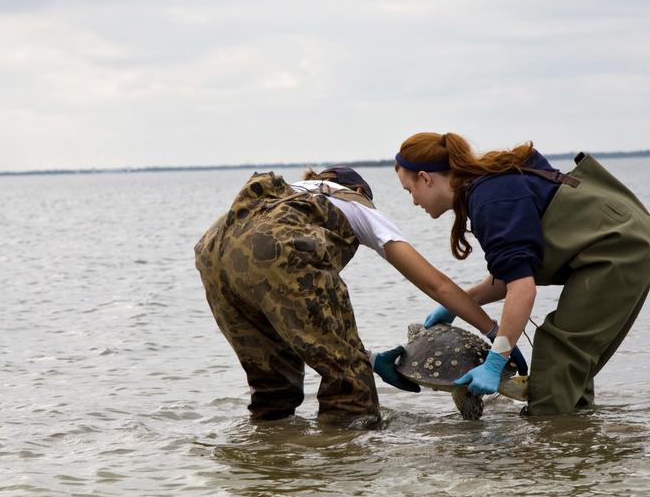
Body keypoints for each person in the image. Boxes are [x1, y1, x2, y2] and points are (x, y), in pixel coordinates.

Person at [194, 165, 511, 427]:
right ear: (360, 192)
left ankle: (272, 462)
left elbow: (302, 325)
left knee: (273, 384)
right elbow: (436, 285)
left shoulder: (290, 193)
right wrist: (496, 335)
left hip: (214, 252)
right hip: (281, 249)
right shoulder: (357, 205)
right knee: (349, 387)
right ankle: (345, 477)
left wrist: (369, 358)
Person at [394, 133, 650, 416]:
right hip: (628, 238)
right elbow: (508, 276)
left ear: (425, 178)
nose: (413, 201)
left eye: (409, 190)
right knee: (573, 368)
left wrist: (496, 362)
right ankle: (578, 434)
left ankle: (548, 442)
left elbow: (522, 288)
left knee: (558, 352)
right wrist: (458, 305)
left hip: (618, 246)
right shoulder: (488, 187)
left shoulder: (489, 199)